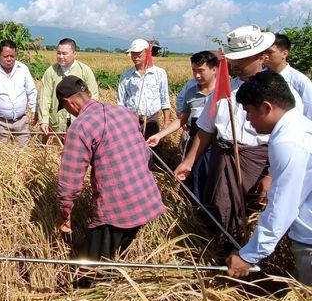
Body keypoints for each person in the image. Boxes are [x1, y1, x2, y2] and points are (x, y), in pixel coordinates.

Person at [175, 25, 303, 242]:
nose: (235, 64)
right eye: (233, 58)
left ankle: (250, 259)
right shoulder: (224, 89)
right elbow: (206, 129)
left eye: (242, 59)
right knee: (219, 209)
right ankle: (221, 253)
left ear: (261, 57)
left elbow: (290, 139)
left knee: (252, 214)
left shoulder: (283, 92)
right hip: (222, 157)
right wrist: (188, 162)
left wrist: (270, 174)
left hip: (258, 162)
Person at [56, 76, 165, 265]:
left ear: (69, 103)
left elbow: (69, 183)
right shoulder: (123, 112)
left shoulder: (80, 127)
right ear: (88, 93)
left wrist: (64, 214)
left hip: (117, 211)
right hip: (148, 199)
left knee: (89, 268)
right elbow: (145, 155)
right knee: (119, 260)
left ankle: (86, 291)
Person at [226, 71, 312, 286]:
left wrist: (248, 255)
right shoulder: (300, 126)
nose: (247, 119)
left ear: (266, 107)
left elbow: (283, 206)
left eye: (248, 111)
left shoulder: (288, 141)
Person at [147, 51, 219, 199]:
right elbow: (182, 119)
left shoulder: (224, 92)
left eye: (201, 71)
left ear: (214, 69)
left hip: (216, 144)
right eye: (194, 70)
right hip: (194, 140)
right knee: (191, 178)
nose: (197, 75)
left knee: (213, 182)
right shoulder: (191, 92)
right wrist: (159, 135)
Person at [0, 40, 38, 146]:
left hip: (21, 121)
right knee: (1, 154)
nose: (9, 59)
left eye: (12, 56)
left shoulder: (23, 69)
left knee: (23, 153)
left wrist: (34, 110)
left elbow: (31, 91)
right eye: (6, 56)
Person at [38, 38, 99, 134]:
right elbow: (44, 98)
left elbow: (94, 96)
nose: (61, 56)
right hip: (56, 122)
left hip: (80, 122)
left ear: (75, 54)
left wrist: (90, 119)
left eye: (64, 53)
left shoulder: (85, 70)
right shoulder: (51, 71)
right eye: (58, 53)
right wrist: (44, 120)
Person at [117, 38, 171, 140]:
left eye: (139, 53)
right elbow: (121, 103)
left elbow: (165, 99)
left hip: (151, 120)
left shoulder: (159, 73)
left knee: (151, 149)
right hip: (131, 120)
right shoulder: (126, 76)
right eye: (133, 53)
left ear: (147, 53)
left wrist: (167, 121)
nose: (135, 57)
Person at [264, 33, 312, 120]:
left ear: (284, 54)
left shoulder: (300, 82)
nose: (266, 56)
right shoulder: (260, 77)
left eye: (270, 52)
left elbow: (309, 113)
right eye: (264, 52)